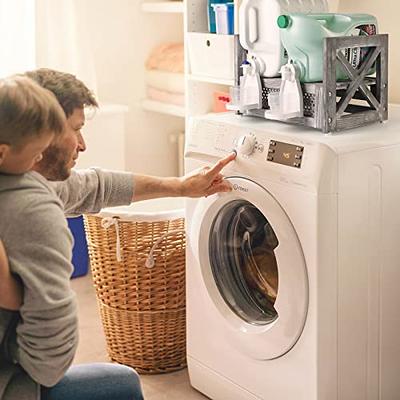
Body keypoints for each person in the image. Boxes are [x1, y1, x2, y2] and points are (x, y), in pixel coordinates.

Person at [0, 68, 236, 400]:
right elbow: (47, 366)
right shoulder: (35, 211)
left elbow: (93, 186)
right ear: (46, 127)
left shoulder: (15, 175)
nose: (82, 144)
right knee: (121, 383)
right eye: (76, 130)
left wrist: (180, 187)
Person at [0, 75, 66, 311]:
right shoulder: (29, 207)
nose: (39, 158)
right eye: (37, 151)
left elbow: (82, 186)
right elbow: (12, 298)